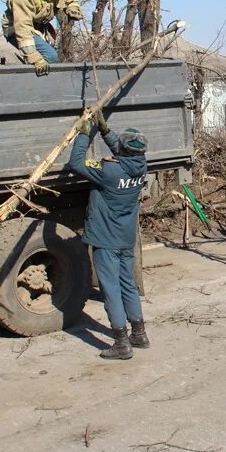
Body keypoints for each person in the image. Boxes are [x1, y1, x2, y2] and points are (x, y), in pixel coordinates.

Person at [68, 110, 149, 360]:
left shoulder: (109, 171)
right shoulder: (142, 166)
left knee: (111, 288)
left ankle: (121, 342)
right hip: (125, 238)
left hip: (105, 238)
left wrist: (83, 134)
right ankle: (139, 333)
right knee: (127, 284)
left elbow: (76, 163)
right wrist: (104, 130)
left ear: (123, 152)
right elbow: (123, 150)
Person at [1, 0, 84, 76]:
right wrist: (34, 57)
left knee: (48, 59)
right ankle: (27, 85)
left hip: (37, 29)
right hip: (16, 28)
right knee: (50, 57)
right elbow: (22, 27)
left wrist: (73, 9)